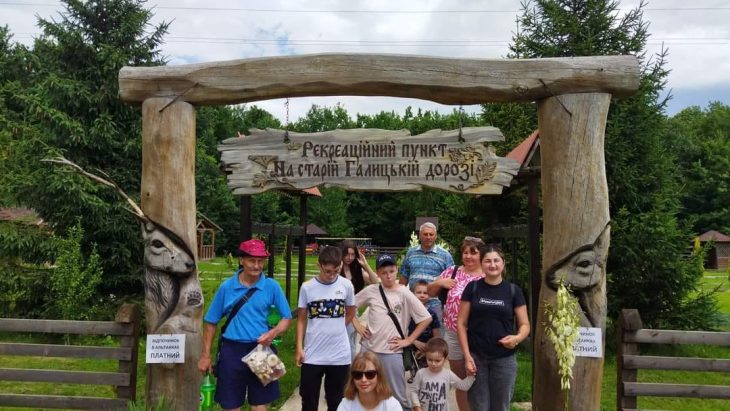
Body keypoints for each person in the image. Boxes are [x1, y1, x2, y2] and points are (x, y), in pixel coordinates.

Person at [198, 239, 292, 411]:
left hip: (261, 349)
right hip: (231, 350)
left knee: (260, 404)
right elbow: (210, 322)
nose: (257, 266)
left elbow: (287, 317)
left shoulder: (271, 286)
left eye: (260, 261)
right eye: (252, 260)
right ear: (241, 260)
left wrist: (273, 333)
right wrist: (205, 356)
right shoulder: (227, 287)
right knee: (231, 404)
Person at [353, 254, 432, 411]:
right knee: (365, 389)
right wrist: (357, 325)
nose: (388, 276)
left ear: (396, 270)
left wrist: (409, 340)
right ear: (377, 273)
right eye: (383, 273)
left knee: (397, 394)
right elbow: (350, 306)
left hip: (392, 351)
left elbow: (426, 318)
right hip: (369, 349)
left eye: (391, 271)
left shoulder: (404, 293)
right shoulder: (372, 290)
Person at [457, 244, 530, 411]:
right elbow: (461, 323)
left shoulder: (513, 291)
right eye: (487, 261)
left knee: (501, 406)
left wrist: (517, 338)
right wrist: (467, 356)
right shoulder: (472, 288)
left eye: (496, 260)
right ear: (481, 264)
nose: (492, 265)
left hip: (504, 358)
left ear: (503, 263)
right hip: (476, 357)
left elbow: (525, 325)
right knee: (478, 406)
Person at [426, 236, 484, 411]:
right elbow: (430, 291)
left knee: (479, 380)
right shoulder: (453, 271)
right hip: (452, 333)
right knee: (461, 381)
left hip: (476, 335)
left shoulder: (486, 275)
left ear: (481, 255)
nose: (468, 256)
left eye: (473, 253)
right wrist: (439, 282)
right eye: (465, 252)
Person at [296, 246, 356, 411]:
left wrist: (338, 326)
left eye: (336, 271)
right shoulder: (307, 287)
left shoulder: (346, 285)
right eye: (328, 271)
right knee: (308, 400)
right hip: (312, 354)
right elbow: (301, 319)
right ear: (319, 265)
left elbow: (351, 311)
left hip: (339, 355)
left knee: (336, 401)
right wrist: (299, 347)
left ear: (341, 265)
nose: (332, 275)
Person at [400, 222, 454, 331]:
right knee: (411, 333)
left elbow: (451, 280)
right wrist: (398, 297)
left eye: (431, 234)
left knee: (436, 336)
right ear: (420, 235)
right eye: (425, 234)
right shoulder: (411, 253)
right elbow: (404, 276)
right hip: (413, 303)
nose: (428, 237)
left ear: (435, 236)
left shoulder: (445, 255)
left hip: (435, 305)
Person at [407, 338, 475, 411]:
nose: (433, 363)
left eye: (437, 361)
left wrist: (471, 375)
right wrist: (417, 406)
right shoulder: (421, 373)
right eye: (430, 359)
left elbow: (463, 386)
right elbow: (413, 391)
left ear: (445, 359)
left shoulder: (448, 374)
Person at [341, 240, 379, 359]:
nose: (350, 258)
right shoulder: (335, 271)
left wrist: (365, 265)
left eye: (353, 254)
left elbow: (376, 283)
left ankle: (350, 368)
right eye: (347, 254)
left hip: (352, 310)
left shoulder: (357, 270)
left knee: (350, 344)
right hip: (338, 311)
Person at [337, 351, 403, 411]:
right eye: (358, 375)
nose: (363, 380)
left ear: (379, 376)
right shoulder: (346, 405)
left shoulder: (391, 405)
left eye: (370, 374)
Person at [408, 280, 441, 368]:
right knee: (415, 372)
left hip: (428, 351)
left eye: (425, 293)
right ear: (412, 294)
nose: (422, 295)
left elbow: (436, 336)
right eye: (419, 292)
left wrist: (429, 347)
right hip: (410, 349)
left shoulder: (432, 314)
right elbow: (402, 332)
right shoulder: (407, 313)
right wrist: (414, 341)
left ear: (430, 295)